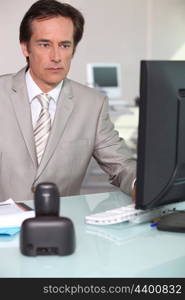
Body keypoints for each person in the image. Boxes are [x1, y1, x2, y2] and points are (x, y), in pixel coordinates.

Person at [0, 0, 136, 202]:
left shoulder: (92, 105)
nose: (56, 57)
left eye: (64, 45)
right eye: (45, 44)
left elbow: (122, 165)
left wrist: (140, 186)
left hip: (61, 224)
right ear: (25, 48)